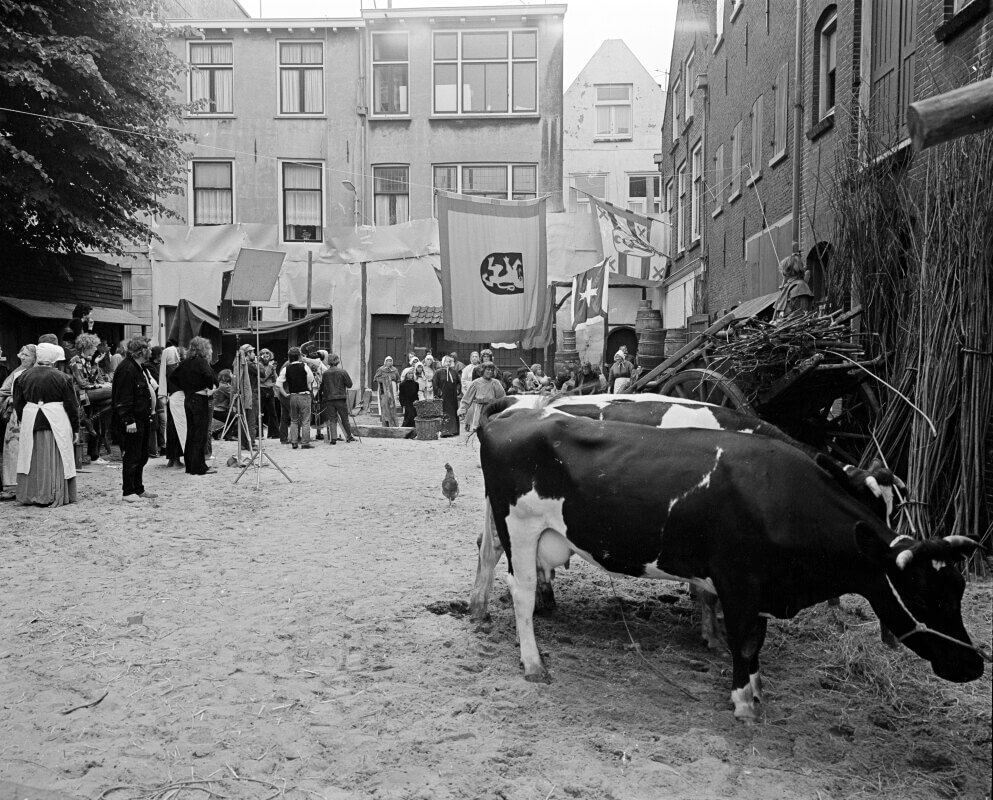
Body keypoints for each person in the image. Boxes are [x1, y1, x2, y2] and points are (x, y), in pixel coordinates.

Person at [12, 342, 80, 506]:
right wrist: (75, 428)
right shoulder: (63, 378)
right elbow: (72, 405)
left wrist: (24, 419)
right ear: (54, 360)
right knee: (56, 455)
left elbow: (18, 402)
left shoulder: (22, 376)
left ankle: (32, 493)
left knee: (31, 456)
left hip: (31, 420)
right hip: (55, 419)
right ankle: (51, 491)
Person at [112, 335, 157, 502]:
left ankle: (138, 488)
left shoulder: (138, 367)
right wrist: (128, 420)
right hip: (133, 420)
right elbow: (123, 397)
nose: (151, 351)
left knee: (141, 455)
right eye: (149, 348)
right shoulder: (127, 369)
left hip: (142, 418)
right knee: (132, 455)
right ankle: (128, 491)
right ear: (141, 351)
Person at [172, 336, 217, 475]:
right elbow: (211, 378)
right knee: (200, 434)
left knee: (191, 433)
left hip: (188, 398)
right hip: (200, 398)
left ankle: (190, 466)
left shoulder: (186, 362)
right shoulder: (201, 362)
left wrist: (186, 387)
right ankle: (199, 467)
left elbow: (173, 377)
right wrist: (208, 386)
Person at [68, 332, 112, 464]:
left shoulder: (87, 360)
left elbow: (91, 378)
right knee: (115, 392)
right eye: (93, 347)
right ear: (86, 346)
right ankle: (90, 419)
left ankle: (91, 420)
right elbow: (81, 382)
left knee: (102, 414)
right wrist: (97, 386)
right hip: (82, 395)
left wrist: (96, 364)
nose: (95, 350)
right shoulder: (75, 360)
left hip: (88, 392)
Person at [0, 344, 36, 501]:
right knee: (14, 450)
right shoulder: (17, 373)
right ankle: (13, 486)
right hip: (16, 418)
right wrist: (10, 399)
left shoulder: (35, 373)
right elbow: (3, 391)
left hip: (33, 415)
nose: (22, 357)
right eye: (21, 353)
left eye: (27, 355)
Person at [276, 346, 316, 449]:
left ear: (289, 357)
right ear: (299, 356)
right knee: (305, 420)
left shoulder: (286, 368)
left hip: (292, 396)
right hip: (304, 395)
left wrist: (285, 394)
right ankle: (305, 442)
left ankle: (294, 442)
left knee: (294, 420)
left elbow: (278, 383)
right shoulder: (305, 366)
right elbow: (310, 379)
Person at [459, 362, 506, 433]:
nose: (490, 372)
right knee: (479, 430)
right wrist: (462, 409)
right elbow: (467, 398)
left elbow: (502, 397)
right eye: (488, 369)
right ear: (482, 370)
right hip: (479, 409)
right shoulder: (476, 383)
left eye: (492, 370)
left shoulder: (495, 383)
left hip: (491, 409)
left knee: (491, 430)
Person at [319, 354, 355, 444]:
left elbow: (322, 387)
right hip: (340, 398)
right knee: (344, 419)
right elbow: (350, 385)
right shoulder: (342, 372)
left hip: (329, 399)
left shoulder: (325, 373)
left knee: (332, 419)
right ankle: (349, 436)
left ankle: (333, 439)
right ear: (337, 361)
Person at [160, 340, 185, 468]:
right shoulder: (175, 369)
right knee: (177, 430)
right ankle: (176, 459)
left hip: (172, 400)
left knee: (171, 429)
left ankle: (172, 459)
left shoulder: (168, 369)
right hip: (178, 401)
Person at [773, 254, 815, 318]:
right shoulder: (787, 286)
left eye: (783, 269)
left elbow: (801, 314)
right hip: (782, 325)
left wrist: (780, 322)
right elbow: (778, 314)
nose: (782, 272)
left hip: (793, 326)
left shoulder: (800, 286)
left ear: (788, 269)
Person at [432, 355, 461, 438]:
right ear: (443, 362)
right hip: (443, 396)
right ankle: (445, 431)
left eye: (449, 361)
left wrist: (458, 390)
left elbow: (458, 383)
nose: (448, 363)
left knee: (453, 412)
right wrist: (439, 392)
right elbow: (434, 383)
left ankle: (454, 430)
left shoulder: (454, 372)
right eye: (446, 361)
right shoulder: (438, 372)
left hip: (453, 396)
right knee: (445, 412)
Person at [258, 348, 280, 439]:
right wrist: (270, 368)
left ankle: (274, 433)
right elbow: (262, 378)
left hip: (270, 389)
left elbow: (276, 379)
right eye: (263, 353)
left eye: (267, 353)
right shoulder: (259, 365)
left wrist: (274, 370)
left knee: (273, 413)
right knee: (260, 412)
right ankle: (259, 434)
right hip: (261, 389)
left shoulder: (271, 365)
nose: (266, 354)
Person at [373, 356, 400, 427]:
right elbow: (375, 378)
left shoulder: (395, 369)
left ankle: (392, 416)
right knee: (384, 401)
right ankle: (384, 416)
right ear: (385, 362)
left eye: (390, 361)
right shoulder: (381, 369)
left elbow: (398, 379)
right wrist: (383, 379)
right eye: (388, 361)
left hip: (392, 386)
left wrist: (398, 387)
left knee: (392, 401)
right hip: (383, 386)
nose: (389, 362)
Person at [211, 369, 234, 439]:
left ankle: (217, 433)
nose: (233, 376)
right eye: (231, 374)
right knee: (234, 417)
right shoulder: (225, 387)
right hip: (219, 410)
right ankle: (228, 435)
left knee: (230, 419)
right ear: (226, 377)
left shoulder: (220, 385)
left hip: (215, 409)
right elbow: (234, 393)